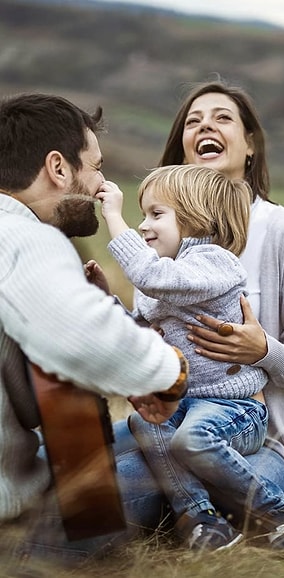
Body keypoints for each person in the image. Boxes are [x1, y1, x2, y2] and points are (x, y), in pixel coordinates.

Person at [122, 79, 284, 551]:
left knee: (117, 489)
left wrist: (264, 351)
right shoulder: (165, 240)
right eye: (193, 122)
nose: (204, 127)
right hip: (174, 418)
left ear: (250, 143)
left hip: (256, 433)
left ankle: (250, 521)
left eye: (221, 118)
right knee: (73, 458)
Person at [0, 93, 190, 570]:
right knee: (156, 465)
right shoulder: (25, 235)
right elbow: (79, 336)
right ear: (58, 169)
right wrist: (167, 373)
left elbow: (24, 393)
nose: (102, 182)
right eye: (96, 167)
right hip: (10, 530)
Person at [94, 164, 269, 550]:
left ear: (198, 220)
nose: (143, 225)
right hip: (186, 405)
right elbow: (140, 334)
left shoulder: (213, 262)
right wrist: (106, 298)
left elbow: (150, 276)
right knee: (143, 423)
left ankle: (277, 513)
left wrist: (112, 215)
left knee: (190, 439)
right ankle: (200, 517)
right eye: (143, 215)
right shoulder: (167, 277)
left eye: (156, 214)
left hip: (232, 409)